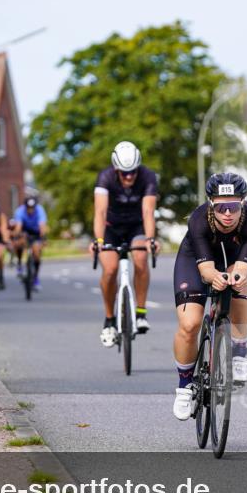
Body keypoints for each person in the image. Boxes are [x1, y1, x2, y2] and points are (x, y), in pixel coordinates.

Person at [171, 172, 247, 421]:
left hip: (233, 259)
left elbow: (244, 266)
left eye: (233, 206)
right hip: (196, 261)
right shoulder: (199, 220)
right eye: (221, 206)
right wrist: (216, 277)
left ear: (242, 204)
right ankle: (184, 386)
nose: (227, 213)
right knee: (189, 324)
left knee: (242, 283)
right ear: (211, 205)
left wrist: (235, 278)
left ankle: (239, 350)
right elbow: (206, 271)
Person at [90, 141, 160, 346]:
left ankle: (140, 312)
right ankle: (109, 320)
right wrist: (99, 240)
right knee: (110, 270)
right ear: (116, 168)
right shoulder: (105, 177)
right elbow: (100, 212)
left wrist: (149, 239)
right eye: (124, 173)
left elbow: (148, 211)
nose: (129, 177)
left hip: (136, 226)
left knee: (140, 257)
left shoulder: (148, 176)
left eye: (133, 172)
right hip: (111, 227)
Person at [12, 196, 48, 290]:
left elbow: (42, 225)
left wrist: (43, 238)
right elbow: (18, 226)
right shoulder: (20, 211)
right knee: (19, 243)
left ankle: (35, 277)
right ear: (25, 207)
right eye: (29, 208)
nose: (31, 210)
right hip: (25, 231)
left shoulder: (40, 210)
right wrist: (17, 237)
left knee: (37, 253)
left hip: (36, 232)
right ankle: (19, 263)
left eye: (32, 208)